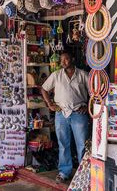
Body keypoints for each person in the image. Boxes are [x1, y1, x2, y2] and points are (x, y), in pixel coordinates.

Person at [41, 51, 89, 184]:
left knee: (82, 145)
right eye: (61, 60)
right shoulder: (56, 75)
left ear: (72, 59)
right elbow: (44, 89)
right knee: (63, 144)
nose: (62, 62)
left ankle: (83, 173)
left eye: (65, 59)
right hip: (61, 114)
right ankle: (64, 172)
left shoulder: (83, 75)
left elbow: (95, 93)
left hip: (79, 114)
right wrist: (50, 104)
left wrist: (88, 107)